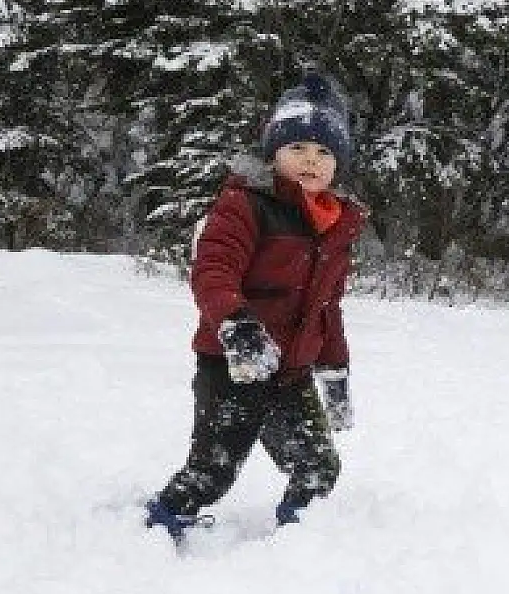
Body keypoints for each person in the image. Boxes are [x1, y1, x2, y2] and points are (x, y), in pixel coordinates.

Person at [145, 69, 368, 541]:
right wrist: (236, 324)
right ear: (274, 152)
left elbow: (328, 305)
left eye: (324, 151)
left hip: (290, 374)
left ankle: (302, 541)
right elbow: (213, 271)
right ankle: (160, 525)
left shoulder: (337, 224)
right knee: (213, 470)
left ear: (338, 162)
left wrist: (336, 370)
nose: (310, 161)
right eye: (297, 149)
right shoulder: (245, 205)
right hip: (233, 366)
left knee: (318, 465)